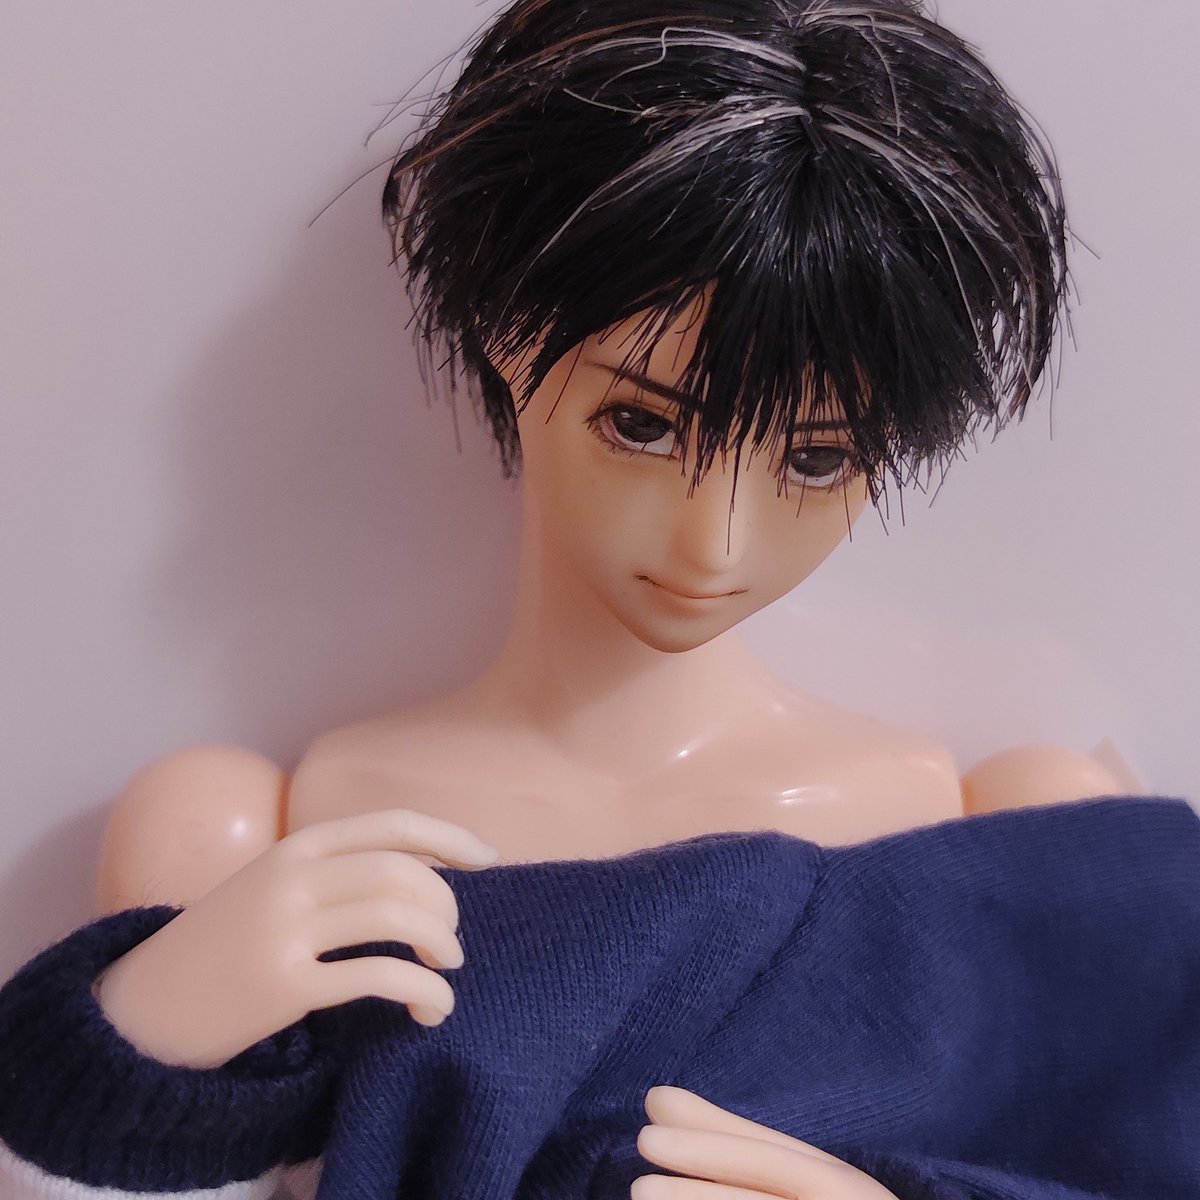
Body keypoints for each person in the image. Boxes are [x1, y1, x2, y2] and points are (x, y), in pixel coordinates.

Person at [2, 2, 1186, 1199]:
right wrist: (128, 1043)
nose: (716, 542)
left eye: (820, 457)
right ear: (508, 333)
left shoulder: (1016, 837)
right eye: (642, 424)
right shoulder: (251, 833)